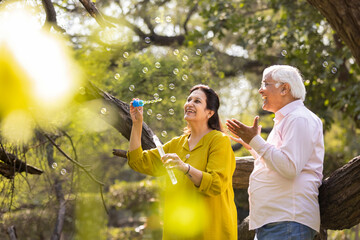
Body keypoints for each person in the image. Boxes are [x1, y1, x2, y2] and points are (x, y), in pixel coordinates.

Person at [127, 84, 238, 240]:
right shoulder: (176, 144)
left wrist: (185, 168)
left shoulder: (219, 141)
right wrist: (137, 123)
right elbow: (138, 161)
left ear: (210, 112)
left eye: (197, 101)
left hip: (211, 231)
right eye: (189, 99)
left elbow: (216, 184)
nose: (190, 104)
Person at [226, 65, 324, 240]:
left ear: (284, 88)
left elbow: (289, 168)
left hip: (287, 222)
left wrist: (255, 140)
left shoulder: (299, 118)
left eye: (265, 84)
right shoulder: (287, 119)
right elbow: (278, 163)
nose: (260, 90)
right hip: (278, 222)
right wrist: (253, 146)